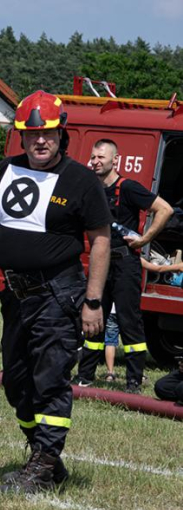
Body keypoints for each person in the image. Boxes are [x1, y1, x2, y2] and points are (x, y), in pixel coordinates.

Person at [0, 90, 112, 494]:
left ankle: (42, 466)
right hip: (15, 295)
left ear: (60, 133)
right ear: (21, 136)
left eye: (47, 132)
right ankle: (45, 458)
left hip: (58, 293)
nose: (40, 141)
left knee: (50, 380)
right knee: (16, 383)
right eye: (31, 134)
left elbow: (100, 242)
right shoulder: (4, 171)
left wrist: (93, 300)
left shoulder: (81, 180)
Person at [73, 139, 173, 392]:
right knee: (93, 316)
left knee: (129, 321)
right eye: (93, 157)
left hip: (125, 262)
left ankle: (133, 382)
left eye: (101, 157)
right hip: (99, 262)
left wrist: (146, 239)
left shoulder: (127, 187)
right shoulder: (90, 189)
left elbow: (164, 209)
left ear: (115, 160)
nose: (95, 161)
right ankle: (84, 375)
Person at [103, 306, 119, 382]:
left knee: (110, 342)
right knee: (131, 342)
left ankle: (110, 373)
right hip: (127, 311)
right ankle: (136, 374)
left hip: (112, 310)